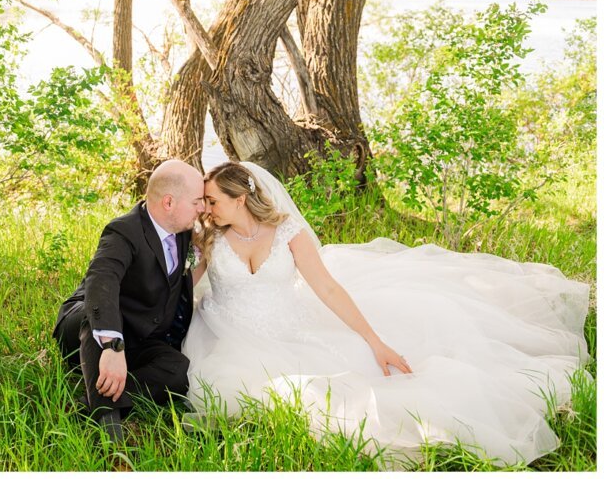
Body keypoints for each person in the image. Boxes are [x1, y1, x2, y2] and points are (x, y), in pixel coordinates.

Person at [182, 161, 590, 468]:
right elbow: (180, 288)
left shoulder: (287, 232)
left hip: (292, 326)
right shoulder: (206, 238)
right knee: (264, 392)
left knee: (367, 376)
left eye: (213, 199)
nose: (207, 207)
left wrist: (374, 341)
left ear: (240, 198)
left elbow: (327, 288)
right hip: (228, 332)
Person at [53, 159, 205, 446]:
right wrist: (113, 345)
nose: (202, 208)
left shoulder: (183, 230)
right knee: (94, 316)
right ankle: (112, 439)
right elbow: (101, 282)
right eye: (197, 201)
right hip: (87, 325)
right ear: (168, 202)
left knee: (178, 371)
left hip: (138, 331)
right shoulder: (124, 231)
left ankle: (91, 402)